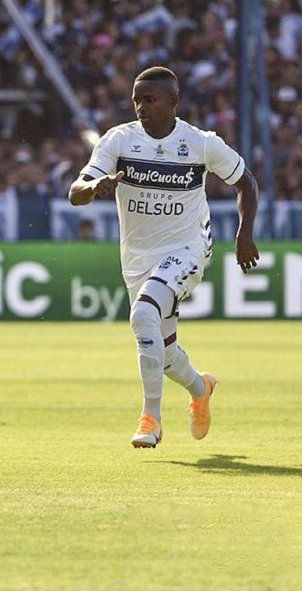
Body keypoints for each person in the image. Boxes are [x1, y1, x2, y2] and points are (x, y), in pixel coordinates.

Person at [68, 66, 259, 448]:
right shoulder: (118, 141)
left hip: (187, 246)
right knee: (165, 351)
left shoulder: (201, 143)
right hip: (138, 256)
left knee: (142, 315)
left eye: (149, 99)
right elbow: (76, 191)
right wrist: (94, 186)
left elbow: (245, 183)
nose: (140, 106)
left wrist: (244, 233)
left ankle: (151, 417)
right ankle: (201, 387)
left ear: (173, 102)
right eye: (136, 99)